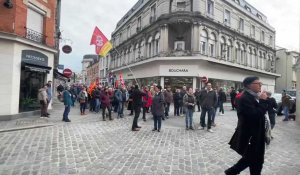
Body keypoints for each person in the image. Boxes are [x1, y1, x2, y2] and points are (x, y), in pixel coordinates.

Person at [225, 76, 268, 175]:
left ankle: (231, 172)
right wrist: (262, 101)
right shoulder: (244, 98)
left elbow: (264, 111)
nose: (260, 85)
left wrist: (264, 100)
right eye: (258, 83)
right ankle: (231, 172)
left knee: (253, 159)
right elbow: (255, 115)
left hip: (258, 134)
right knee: (254, 159)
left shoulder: (255, 96)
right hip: (251, 136)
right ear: (249, 85)